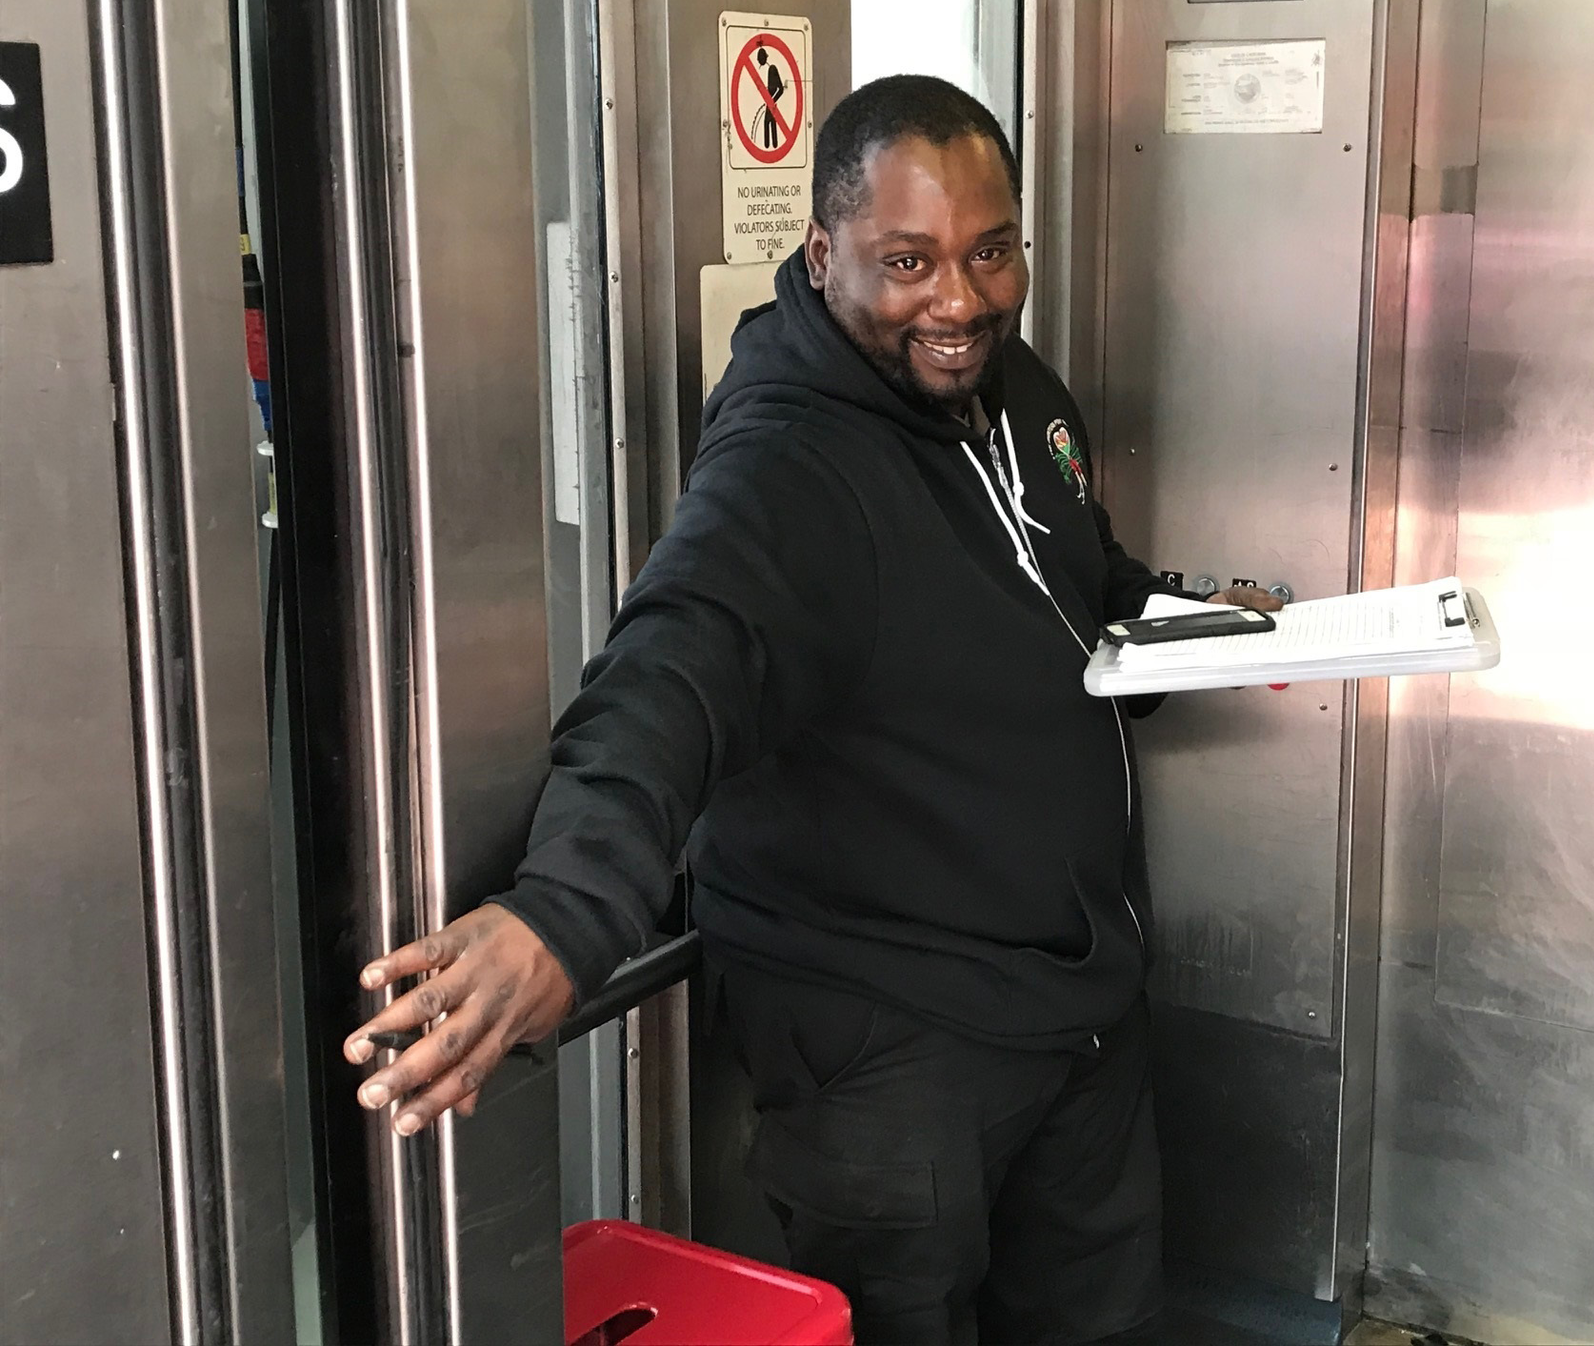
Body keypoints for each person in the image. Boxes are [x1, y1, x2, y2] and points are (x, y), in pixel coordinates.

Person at [344, 74, 1285, 1344]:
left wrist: (1185, 620)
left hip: (1077, 1006)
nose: (959, 300)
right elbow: (672, 669)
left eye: (990, 252)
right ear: (824, 251)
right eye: (907, 262)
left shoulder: (1010, 388)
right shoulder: (789, 462)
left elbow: (1073, 582)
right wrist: (566, 909)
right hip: (892, 1046)